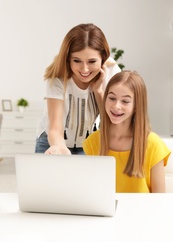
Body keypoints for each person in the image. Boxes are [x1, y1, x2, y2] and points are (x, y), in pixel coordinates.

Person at [35, 23, 120, 155]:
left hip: (88, 142)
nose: (85, 69)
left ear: (103, 58)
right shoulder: (58, 75)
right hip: (52, 142)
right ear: (68, 58)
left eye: (92, 62)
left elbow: (111, 121)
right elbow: (55, 127)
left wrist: (98, 91)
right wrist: (59, 147)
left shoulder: (111, 71)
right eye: (77, 60)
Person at [83, 70, 171, 192]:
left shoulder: (153, 144)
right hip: (105, 211)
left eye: (125, 101)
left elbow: (160, 201)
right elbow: (89, 192)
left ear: (136, 105)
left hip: (143, 211)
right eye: (112, 98)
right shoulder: (93, 142)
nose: (116, 106)